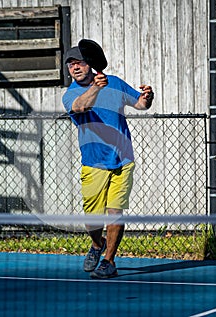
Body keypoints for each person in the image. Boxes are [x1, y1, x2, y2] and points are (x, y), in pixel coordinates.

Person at [62, 45, 154, 279]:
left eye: (79, 62)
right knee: (92, 219)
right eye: (70, 64)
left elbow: (140, 105)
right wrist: (95, 87)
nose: (75, 67)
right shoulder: (70, 94)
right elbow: (81, 107)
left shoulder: (115, 83)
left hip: (123, 160)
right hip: (94, 163)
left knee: (115, 212)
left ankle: (109, 261)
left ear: (90, 63)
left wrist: (147, 97)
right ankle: (96, 244)